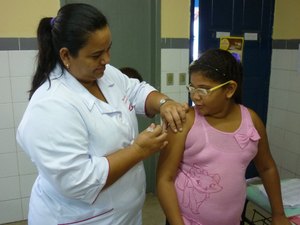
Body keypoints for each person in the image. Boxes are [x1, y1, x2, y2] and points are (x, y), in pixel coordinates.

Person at [16, 3, 187, 225]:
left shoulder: (104, 75)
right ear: (66, 55)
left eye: (108, 49)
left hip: (124, 215)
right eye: (97, 54)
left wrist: (164, 103)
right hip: (82, 218)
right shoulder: (50, 105)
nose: (106, 59)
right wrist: (139, 150)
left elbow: (135, 90)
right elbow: (79, 180)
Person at [156, 49, 291, 225]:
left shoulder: (251, 121)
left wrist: (278, 214)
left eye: (203, 90)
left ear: (229, 89)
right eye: (192, 87)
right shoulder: (185, 121)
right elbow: (164, 179)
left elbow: (267, 168)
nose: (195, 96)